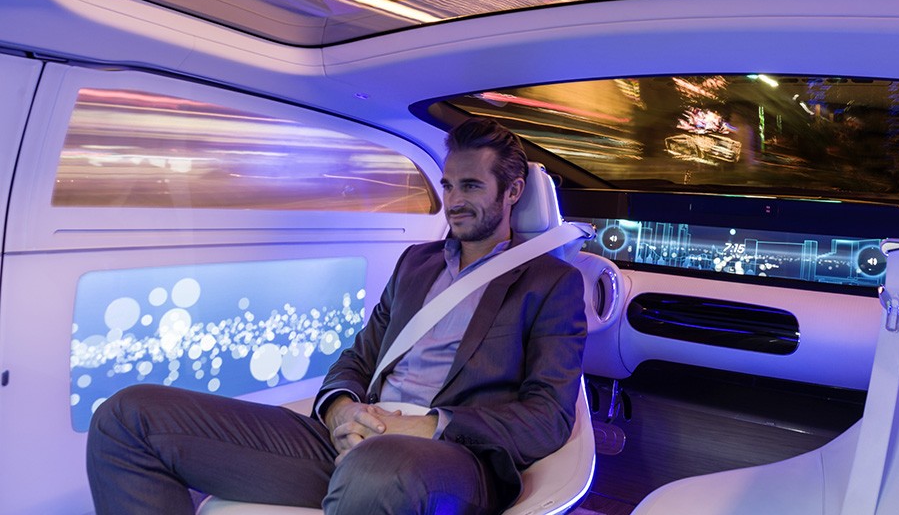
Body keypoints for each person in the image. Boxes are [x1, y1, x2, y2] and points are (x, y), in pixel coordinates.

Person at [86, 117, 587, 515]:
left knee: (379, 470)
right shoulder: (417, 263)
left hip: (449, 457)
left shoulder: (551, 283)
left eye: (471, 187)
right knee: (127, 417)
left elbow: (548, 417)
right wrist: (342, 411)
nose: (453, 202)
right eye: (448, 185)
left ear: (512, 192)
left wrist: (427, 426)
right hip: (358, 435)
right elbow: (357, 360)